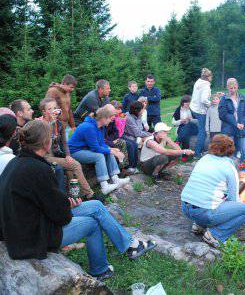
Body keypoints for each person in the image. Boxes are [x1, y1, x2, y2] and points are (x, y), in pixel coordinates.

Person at [0, 120, 156, 281]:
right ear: (46, 143)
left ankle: (130, 245)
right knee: (91, 224)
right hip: (31, 237)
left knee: (95, 205)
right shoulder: (38, 169)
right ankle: (100, 270)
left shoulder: (18, 162)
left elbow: (40, 200)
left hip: (25, 225)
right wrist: (66, 207)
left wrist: (64, 203)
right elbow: (61, 217)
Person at [181, 134, 245, 248]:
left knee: (214, 199)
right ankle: (215, 235)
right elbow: (233, 199)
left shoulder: (204, 158)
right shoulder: (229, 167)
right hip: (203, 212)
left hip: (185, 207)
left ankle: (199, 225)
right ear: (230, 150)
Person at [39, 98, 94, 198]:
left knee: (70, 169)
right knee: (76, 165)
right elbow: (43, 145)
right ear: (44, 112)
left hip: (56, 154)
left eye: (55, 108)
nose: (54, 110)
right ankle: (89, 194)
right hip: (44, 157)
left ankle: (73, 196)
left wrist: (68, 155)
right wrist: (50, 124)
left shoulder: (59, 124)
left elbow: (64, 143)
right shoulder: (40, 124)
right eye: (50, 109)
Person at [68, 104, 130, 195]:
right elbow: (95, 148)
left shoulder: (101, 127)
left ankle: (115, 178)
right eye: (110, 118)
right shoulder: (88, 127)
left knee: (109, 151)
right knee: (100, 156)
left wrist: (111, 149)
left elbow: (101, 144)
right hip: (75, 151)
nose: (111, 121)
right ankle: (104, 186)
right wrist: (111, 150)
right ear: (104, 118)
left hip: (86, 149)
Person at [218, 78, 245, 162]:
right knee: (229, 153)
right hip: (229, 130)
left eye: (235, 87)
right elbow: (223, 115)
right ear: (227, 87)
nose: (233, 90)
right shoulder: (224, 99)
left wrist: (243, 123)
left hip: (241, 129)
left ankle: (244, 172)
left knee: (244, 152)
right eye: (231, 88)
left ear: (237, 86)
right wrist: (235, 123)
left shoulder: (243, 98)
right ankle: (230, 172)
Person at [190, 68, 213, 158]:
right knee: (202, 132)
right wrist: (211, 104)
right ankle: (197, 153)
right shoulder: (206, 86)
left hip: (194, 107)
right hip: (200, 111)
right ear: (208, 77)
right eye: (211, 76)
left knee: (200, 127)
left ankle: (197, 151)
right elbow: (204, 100)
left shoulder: (198, 82)